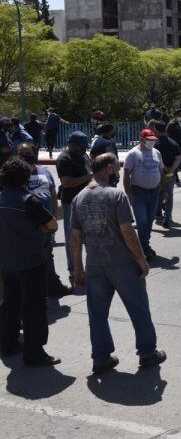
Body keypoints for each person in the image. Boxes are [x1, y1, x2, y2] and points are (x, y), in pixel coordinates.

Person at [70, 153, 166, 373]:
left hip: (95, 264)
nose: (120, 171)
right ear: (108, 169)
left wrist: (78, 268)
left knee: (97, 314)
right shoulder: (116, 196)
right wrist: (141, 259)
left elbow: (75, 239)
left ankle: (101, 357)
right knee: (138, 309)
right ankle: (147, 353)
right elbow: (127, 232)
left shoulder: (78, 198)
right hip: (122, 264)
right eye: (117, 167)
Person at [0, 158, 61, 366]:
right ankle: (34, 352)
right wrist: (42, 228)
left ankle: (7, 343)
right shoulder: (28, 200)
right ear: (25, 178)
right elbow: (52, 225)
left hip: (7, 262)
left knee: (10, 303)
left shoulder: (2, 198)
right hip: (31, 261)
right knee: (34, 307)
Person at [17, 143, 71, 298]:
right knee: (36, 257)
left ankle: (51, 286)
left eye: (27, 152)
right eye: (21, 152)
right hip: (30, 225)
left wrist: (53, 217)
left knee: (48, 254)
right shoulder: (17, 174)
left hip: (47, 222)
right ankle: (45, 287)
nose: (25, 155)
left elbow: (53, 194)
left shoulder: (44, 171)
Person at [123, 129, 166, 260]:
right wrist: (129, 194)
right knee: (141, 222)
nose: (152, 142)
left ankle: (144, 246)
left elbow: (162, 172)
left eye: (153, 140)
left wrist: (164, 191)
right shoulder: (133, 153)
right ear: (142, 139)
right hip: (138, 192)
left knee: (149, 221)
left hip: (154, 192)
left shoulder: (156, 153)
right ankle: (143, 248)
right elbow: (126, 175)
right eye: (149, 140)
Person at [56, 131, 93, 284]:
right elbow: (66, 183)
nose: (82, 149)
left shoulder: (83, 155)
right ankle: (73, 270)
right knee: (72, 239)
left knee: (90, 236)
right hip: (71, 203)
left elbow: (90, 169)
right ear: (72, 144)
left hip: (87, 201)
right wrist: (88, 177)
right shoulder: (64, 159)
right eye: (80, 147)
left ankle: (89, 268)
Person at [152, 122, 181, 228]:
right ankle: (167, 218)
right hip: (169, 174)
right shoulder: (173, 143)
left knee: (156, 194)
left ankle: (158, 214)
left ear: (156, 130)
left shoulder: (154, 143)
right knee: (169, 195)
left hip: (157, 173)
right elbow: (178, 158)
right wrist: (171, 171)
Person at [167, 110, 181, 184]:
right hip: (175, 147)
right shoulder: (171, 124)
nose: (180, 117)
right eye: (179, 115)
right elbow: (168, 135)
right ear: (175, 115)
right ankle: (175, 179)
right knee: (175, 163)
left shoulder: (178, 123)